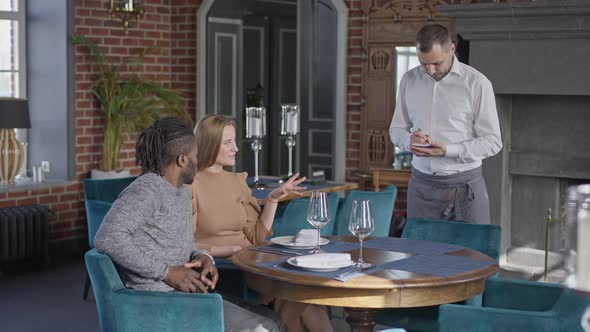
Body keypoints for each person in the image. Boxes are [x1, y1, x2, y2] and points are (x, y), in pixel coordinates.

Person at [94, 117, 284, 332]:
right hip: (157, 301)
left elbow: (184, 242)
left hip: (187, 294)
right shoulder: (147, 190)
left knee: (273, 318)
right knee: (264, 327)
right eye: (196, 155)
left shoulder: (181, 192)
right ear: (183, 160)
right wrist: (167, 272)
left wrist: (203, 256)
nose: (199, 159)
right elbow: (107, 237)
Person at [191, 114, 334, 332]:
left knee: (306, 297)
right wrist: (228, 249)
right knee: (298, 298)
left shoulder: (237, 181)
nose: (236, 149)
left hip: (254, 260)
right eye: (228, 143)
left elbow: (256, 237)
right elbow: (183, 243)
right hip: (225, 267)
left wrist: (273, 199)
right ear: (210, 144)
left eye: (235, 141)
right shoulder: (190, 184)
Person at [389, 24, 502, 225]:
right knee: (419, 255)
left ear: (452, 48)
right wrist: (409, 141)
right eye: (424, 64)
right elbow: (396, 129)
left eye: (437, 63)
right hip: (420, 187)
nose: (430, 70)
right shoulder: (409, 80)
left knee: (471, 256)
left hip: (465, 190)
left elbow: (493, 142)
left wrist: (448, 150)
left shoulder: (477, 83)